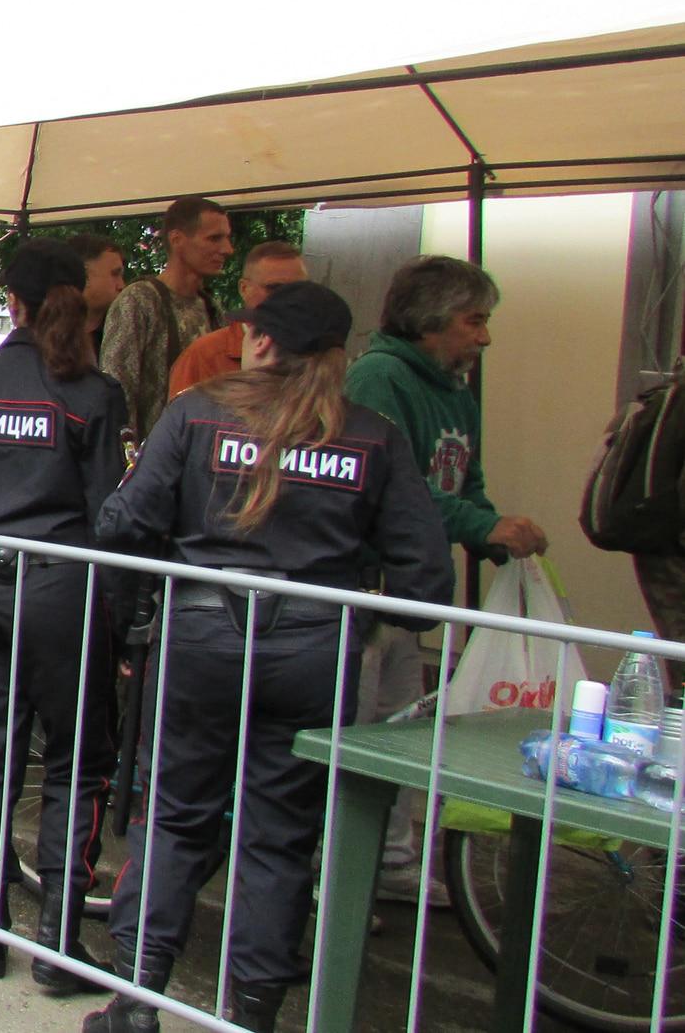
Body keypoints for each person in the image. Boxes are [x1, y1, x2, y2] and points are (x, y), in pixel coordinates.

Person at [86, 282, 453, 1033]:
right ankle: (253, 1013)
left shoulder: (195, 413)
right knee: (280, 836)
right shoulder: (373, 435)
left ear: (258, 341)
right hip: (314, 651)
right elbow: (426, 578)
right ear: (338, 355)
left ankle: (135, 1000)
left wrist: (132, 626)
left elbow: (122, 524)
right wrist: (360, 620)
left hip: (199, 640)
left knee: (174, 817)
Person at [0, 237, 126, 993]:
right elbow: (110, 515)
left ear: (11, 302)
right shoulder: (91, 392)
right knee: (76, 761)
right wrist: (125, 620)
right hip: (62, 589)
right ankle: (58, 944)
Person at [343, 254, 546, 901]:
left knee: (398, 731)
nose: (484, 337)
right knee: (355, 728)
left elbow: (464, 481)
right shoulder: (378, 378)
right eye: (473, 321)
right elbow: (390, 487)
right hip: (369, 587)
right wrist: (480, 525)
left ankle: (391, 860)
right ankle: (337, 869)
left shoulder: (455, 388)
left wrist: (490, 530)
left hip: (412, 590)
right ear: (430, 321)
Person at [100, 197, 231, 441]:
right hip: (151, 456)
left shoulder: (212, 307)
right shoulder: (139, 300)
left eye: (226, 238)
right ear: (177, 240)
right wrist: (130, 456)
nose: (227, 249)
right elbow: (116, 392)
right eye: (214, 238)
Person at [167, 241, 307, 398]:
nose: (288, 298)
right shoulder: (204, 357)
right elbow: (180, 413)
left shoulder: (315, 354)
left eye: (298, 289)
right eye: (274, 288)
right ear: (244, 289)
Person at [68, 233, 126, 359]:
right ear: (84, 276)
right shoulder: (48, 336)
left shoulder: (125, 330)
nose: (122, 285)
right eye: (115, 274)